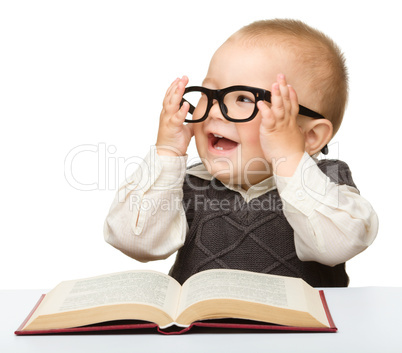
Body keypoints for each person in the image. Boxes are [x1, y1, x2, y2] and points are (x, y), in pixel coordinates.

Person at [104, 19, 378, 286]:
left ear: (310, 136)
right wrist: (166, 153)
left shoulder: (328, 181)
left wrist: (290, 160)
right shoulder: (189, 184)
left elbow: (338, 245)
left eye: (244, 98)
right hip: (202, 330)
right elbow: (134, 241)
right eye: (208, 94)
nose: (213, 110)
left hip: (298, 332)